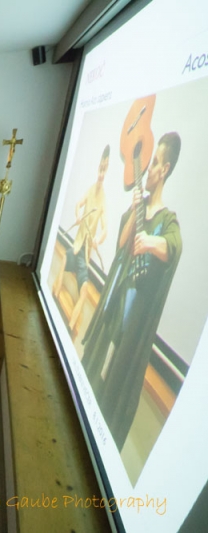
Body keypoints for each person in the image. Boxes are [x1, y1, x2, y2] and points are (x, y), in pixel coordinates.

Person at [80, 132, 183, 450]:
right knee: (91, 369)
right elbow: (122, 243)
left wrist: (152, 242)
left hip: (128, 330)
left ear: (164, 170)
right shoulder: (138, 208)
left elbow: (173, 246)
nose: (148, 170)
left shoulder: (168, 220)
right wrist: (134, 210)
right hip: (111, 311)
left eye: (154, 163)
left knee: (109, 385)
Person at [54, 146, 109, 330]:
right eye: (100, 169)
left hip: (84, 256)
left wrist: (98, 240)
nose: (101, 174)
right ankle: (55, 295)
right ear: (98, 168)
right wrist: (78, 215)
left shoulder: (103, 200)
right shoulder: (91, 189)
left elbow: (105, 229)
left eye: (104, 170)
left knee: (84, 291)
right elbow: (79, 204)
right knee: (64, 259)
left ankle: (69, 328)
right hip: (77, 247)